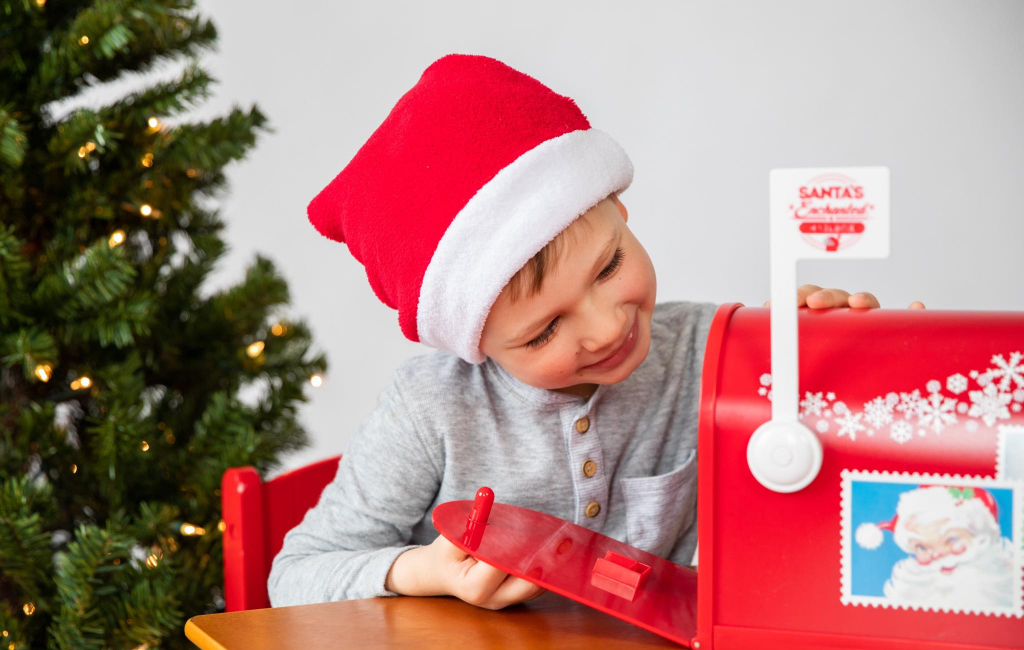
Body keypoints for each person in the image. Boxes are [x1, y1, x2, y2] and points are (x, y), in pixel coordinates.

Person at [268, 53, 924, 610]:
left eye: (609, 265)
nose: (607, 326)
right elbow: (293, 575)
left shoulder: (712, 351)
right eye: (544, 330)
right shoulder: (431, 408)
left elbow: (840, 463)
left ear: (621, 211)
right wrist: (424, 573)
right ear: (476, 346)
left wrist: (827, 351)